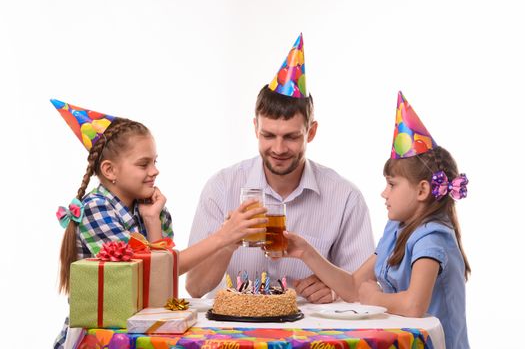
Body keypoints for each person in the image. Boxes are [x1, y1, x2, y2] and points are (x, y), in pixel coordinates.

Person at [51, 100, 266, 349]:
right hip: (100, 338)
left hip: (140, 333)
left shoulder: (153, 209)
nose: (154, 171)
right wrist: (224, 236)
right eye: (144, 164)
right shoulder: (96, 208)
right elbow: (137, 273)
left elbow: (160, 281)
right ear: (110, 170)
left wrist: (152, 220)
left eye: (155, 161)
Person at [186, 33, 375, 303]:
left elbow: (365, 288)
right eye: (268, 135)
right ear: (255, 128)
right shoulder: (221, 187)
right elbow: (194, 288)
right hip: (232, 332)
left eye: (291, 137)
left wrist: (333, 290)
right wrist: (227, 240)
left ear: (311, 132)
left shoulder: (345, 197)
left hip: (309, 335)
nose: (278, 148)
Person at [284, 91, 470, 348]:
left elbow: (414, 305)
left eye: (392, 185)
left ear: (422, 190)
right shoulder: (397, 229)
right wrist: (306, 252)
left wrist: (375, 298)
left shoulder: (433, 236)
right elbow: (352, 287)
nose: (384, 193)